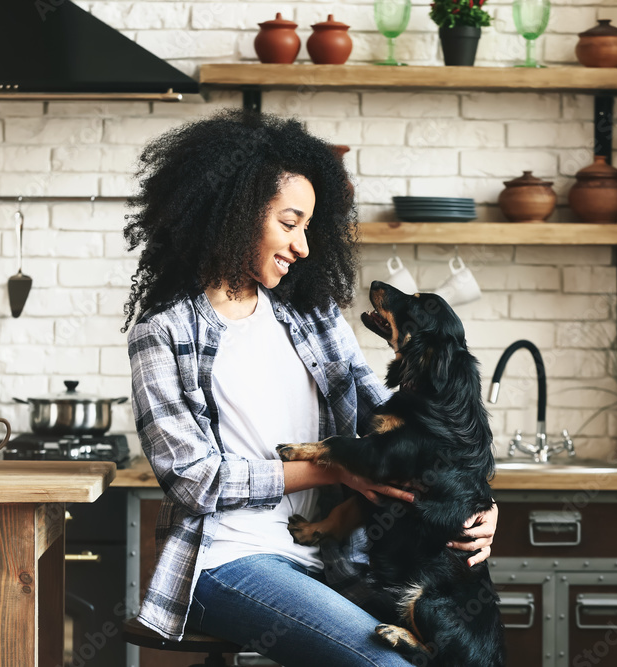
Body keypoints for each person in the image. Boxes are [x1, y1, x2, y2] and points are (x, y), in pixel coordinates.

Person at [122, 109, 498, 667]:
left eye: (307, 228)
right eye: (289, 223)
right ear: (235, 212)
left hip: (330, 557)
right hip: (227, 561)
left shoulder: (312, 316)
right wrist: (338, 467)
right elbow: (193, 480)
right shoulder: (165, 332)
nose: (302, 246)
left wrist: (482, 503)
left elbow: (404, 420)